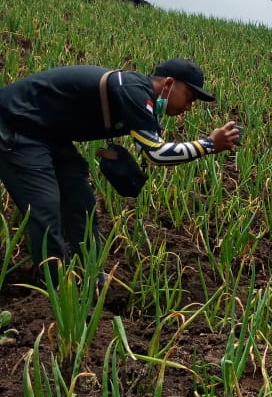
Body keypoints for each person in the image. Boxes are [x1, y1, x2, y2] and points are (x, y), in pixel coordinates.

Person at [0, 58, 241, 283]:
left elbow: (153, 150)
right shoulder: (133, 90)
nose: (189, 106)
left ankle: (91, 278)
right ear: (168, 83)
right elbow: (156, 153)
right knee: (45, 207)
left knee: (81, 202)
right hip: (15, 125)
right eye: (189, 96)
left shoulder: (144, 101)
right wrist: (209, 144)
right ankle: (54, 290)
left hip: (50, 134)